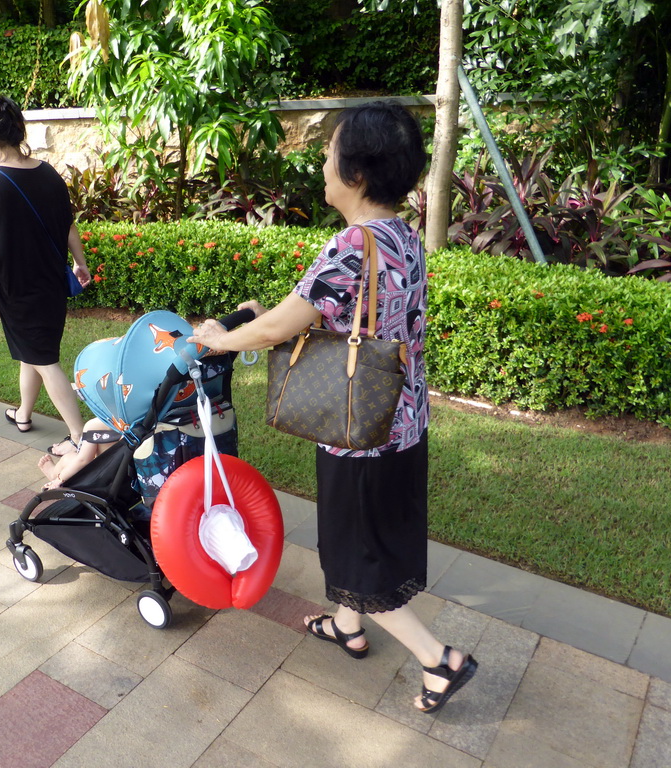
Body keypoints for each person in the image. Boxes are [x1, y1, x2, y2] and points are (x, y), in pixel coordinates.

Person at [189, 101, 478, 714]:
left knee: (360, 553)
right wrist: (258, 316)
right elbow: (336, 313)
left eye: (330, 151)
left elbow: (278, 330)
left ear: (358, 174)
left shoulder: (352, 245)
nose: (322, 160)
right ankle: (348, 625)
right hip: (400, 420)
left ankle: (439, 661)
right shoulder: (399, 235)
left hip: (359, 434)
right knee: (364, 541)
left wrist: (220, 337)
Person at [0, 95, 90, 457]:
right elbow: (68, 225)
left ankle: (79, 439)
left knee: (45, 360)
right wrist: (80, 262)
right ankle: (24, 414)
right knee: (33, 352)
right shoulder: (48, 173)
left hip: (18, 289)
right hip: (50, 284)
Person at [37, 418, 118, 489]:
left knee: (68, 458)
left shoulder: (95, 425)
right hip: (126, 479)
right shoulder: (129, 426)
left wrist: (60, 479)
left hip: (102, 479)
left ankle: (54, 475)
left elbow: (83, 460)